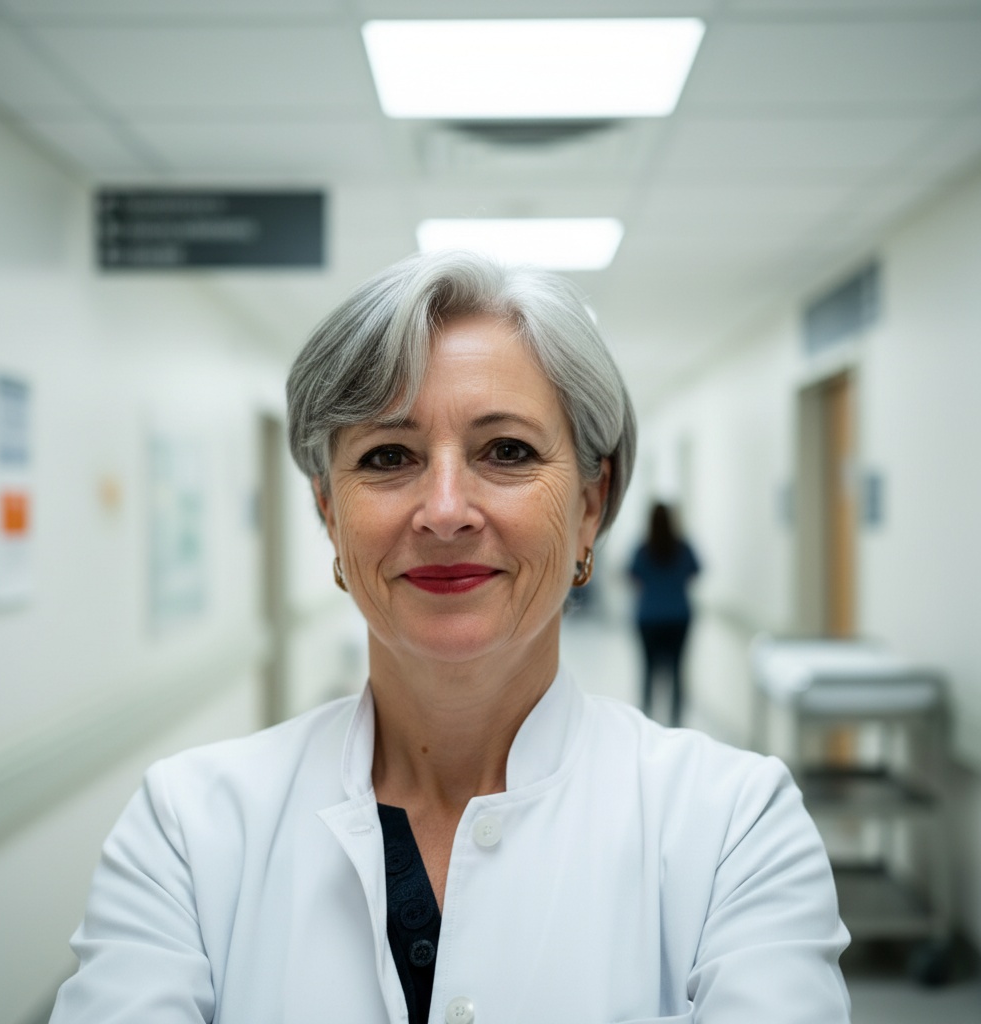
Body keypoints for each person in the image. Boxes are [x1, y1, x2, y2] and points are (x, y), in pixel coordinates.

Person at [49, 251, 850, 1024]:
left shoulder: (732, 831)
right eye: (388, 456)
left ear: (591, 506)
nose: (444, 509)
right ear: (329, 510)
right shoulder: (189, 832)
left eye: (507, 452)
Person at [628, 502, 701, 727]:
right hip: (678, 618)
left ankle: (646, 722)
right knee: (677, 672)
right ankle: (676, 724)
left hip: (649, 618)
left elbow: (632, 576)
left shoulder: (642, 549)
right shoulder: (683, 548)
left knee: (648, 671)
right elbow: (696, 572)